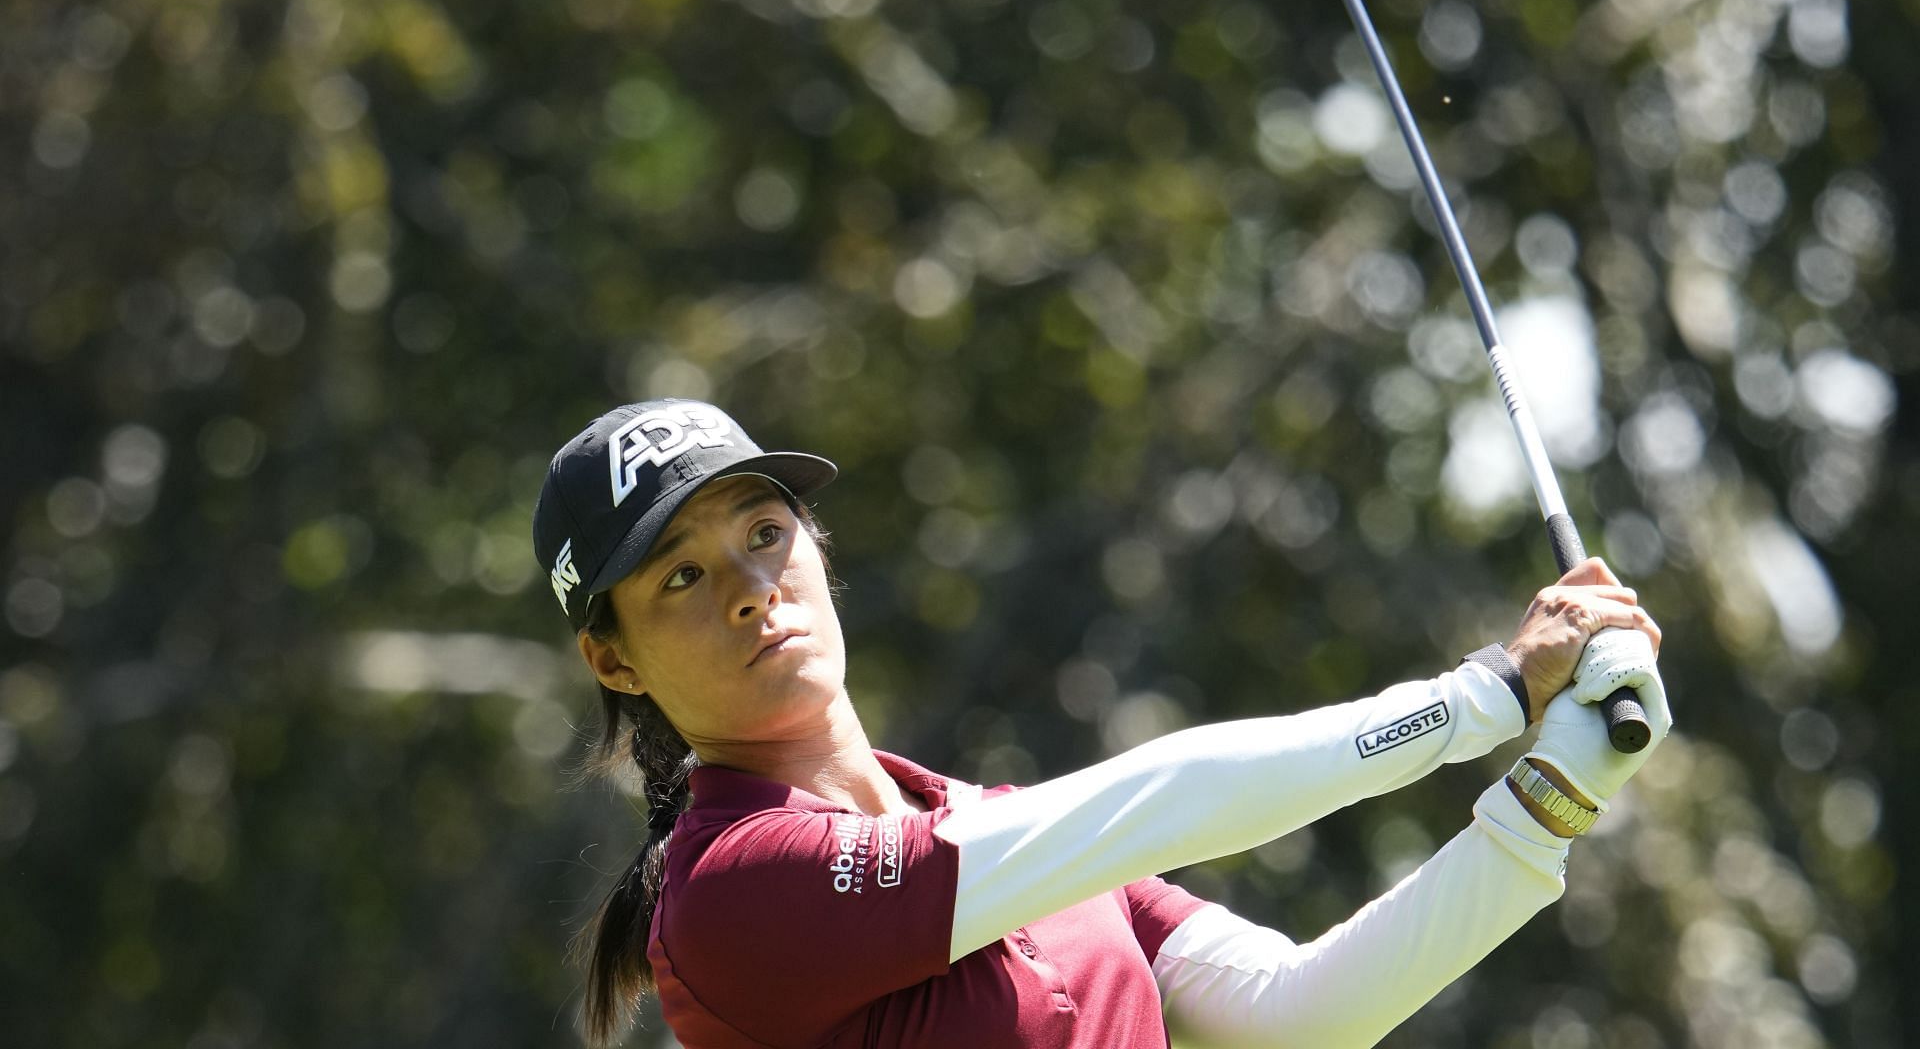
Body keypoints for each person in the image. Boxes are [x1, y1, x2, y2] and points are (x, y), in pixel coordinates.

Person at [532, 398, 1672, 1049]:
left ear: (817, 546)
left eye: (764, 531)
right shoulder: (730, 889)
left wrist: (1556, 790)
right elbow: (1165, 798)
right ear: (611, 654)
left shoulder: (1003, 835)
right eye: (679, 576)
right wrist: (1481, 697)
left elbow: (1301, 1010)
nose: (746, 587)